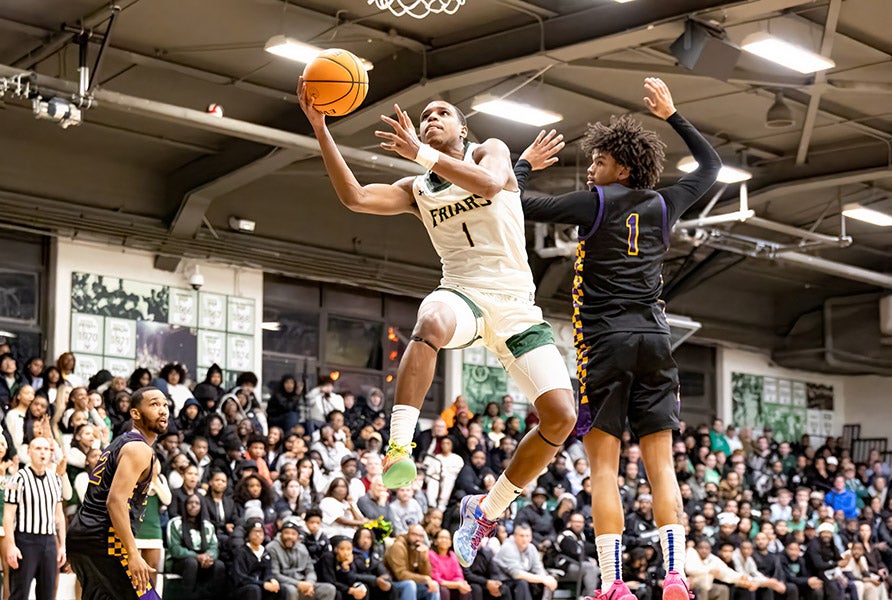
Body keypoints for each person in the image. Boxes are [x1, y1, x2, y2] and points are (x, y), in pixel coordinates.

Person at [298, 82, 576, 567]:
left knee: (561, 417)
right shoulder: (418, 188)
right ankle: (398, 446)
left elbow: (489, 185)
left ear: (462, 127)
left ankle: (486, 510)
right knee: (430, 319)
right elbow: (357, 198)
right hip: (461, 292)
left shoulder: (492, 151)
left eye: (441, 113)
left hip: (515, 306)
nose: (431, 118)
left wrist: (422, 152)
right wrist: (322, 130)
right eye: (425, 115)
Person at [515, 77, 721, 600]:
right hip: (656, 341)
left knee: (603, 470)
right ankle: (675, 575)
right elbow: (712, 167)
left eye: (599, 161)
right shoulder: (664, 203)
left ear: (621, 169)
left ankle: (615, 585)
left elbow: (515, 202)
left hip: (605, 345)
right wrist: (675, 115)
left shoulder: (595, 204)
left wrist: (523, 165)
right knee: (661, 468)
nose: (591, 169)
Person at [66, 386, 170, 600]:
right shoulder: (139, 449)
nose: (163, 410)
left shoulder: (119, 442)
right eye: (154, 404)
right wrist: (133, 553)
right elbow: (115, 502)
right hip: (104, 540)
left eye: (165, 405)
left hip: (82, 535)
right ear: (135, 413)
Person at [2, 436, 65, 600]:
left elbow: (59, 516)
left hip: (49, 541)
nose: (42, 452)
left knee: (48, 593)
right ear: (29, 452)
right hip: (25, 540)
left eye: (46, 449)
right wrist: (11, 546)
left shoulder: (55, 479)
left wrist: (63, 545)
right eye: (38, 448)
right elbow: (8, 516)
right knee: (20, 593)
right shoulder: (18, 478)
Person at [165, 492, 226, 600]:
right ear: (185, 505)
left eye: (197, 503)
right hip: (179, 562)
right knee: (191, 563)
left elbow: (214, 547)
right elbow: (175, 549)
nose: (193, 505)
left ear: (202, 506)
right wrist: (196, 556)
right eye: (190, 503)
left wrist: (208, 557)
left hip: (203, 562)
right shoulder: (175, 523)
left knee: (219, 565)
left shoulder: (208, 526)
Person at [267, 520, 337, 600]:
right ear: (281, 534)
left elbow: (310, 570)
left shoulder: (302, 548)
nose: (290, 536)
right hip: (284, 584)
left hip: (303, 583)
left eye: (293, 534)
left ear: (297, 537)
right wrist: (298, 584)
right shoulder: (272, 548)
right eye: (286, 533)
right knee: (291, 590)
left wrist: (309, 583)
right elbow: (275, 574)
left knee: (329, 589)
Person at [493, 523, 557, 600]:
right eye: (521, 536)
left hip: (521, 580)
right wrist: (543, 579)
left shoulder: (531, 548)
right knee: (522, 583)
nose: (525, 539)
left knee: (543, 581)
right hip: (502, 581)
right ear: (515, 536)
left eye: (527, 536)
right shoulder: (508, 547)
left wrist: (547, 579)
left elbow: (538, 568)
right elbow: (516, 574)